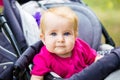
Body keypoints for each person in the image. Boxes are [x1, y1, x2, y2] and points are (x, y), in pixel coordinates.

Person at [30, 6, 103, 80]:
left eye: (66, 34)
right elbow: (36, 77)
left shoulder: (80, 46)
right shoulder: (43, 58)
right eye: (53, 34)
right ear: (44, 39)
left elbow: (95, 59)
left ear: (75, 36)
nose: (61, 39)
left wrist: (102, 61)